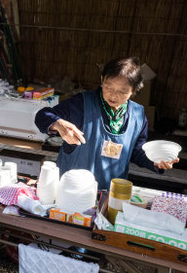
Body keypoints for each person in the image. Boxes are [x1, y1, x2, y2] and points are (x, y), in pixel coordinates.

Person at [34, 57, 178, 190]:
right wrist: (58, 124)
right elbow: (42, 116)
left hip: (109, 193)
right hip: (72, 189)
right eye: (108, 87)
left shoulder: (138, 115)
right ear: (102, 80)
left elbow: (136, 151)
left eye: (122, 91)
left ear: (133, 91)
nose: (113, 95)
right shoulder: (82, 104)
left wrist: (155, 161)